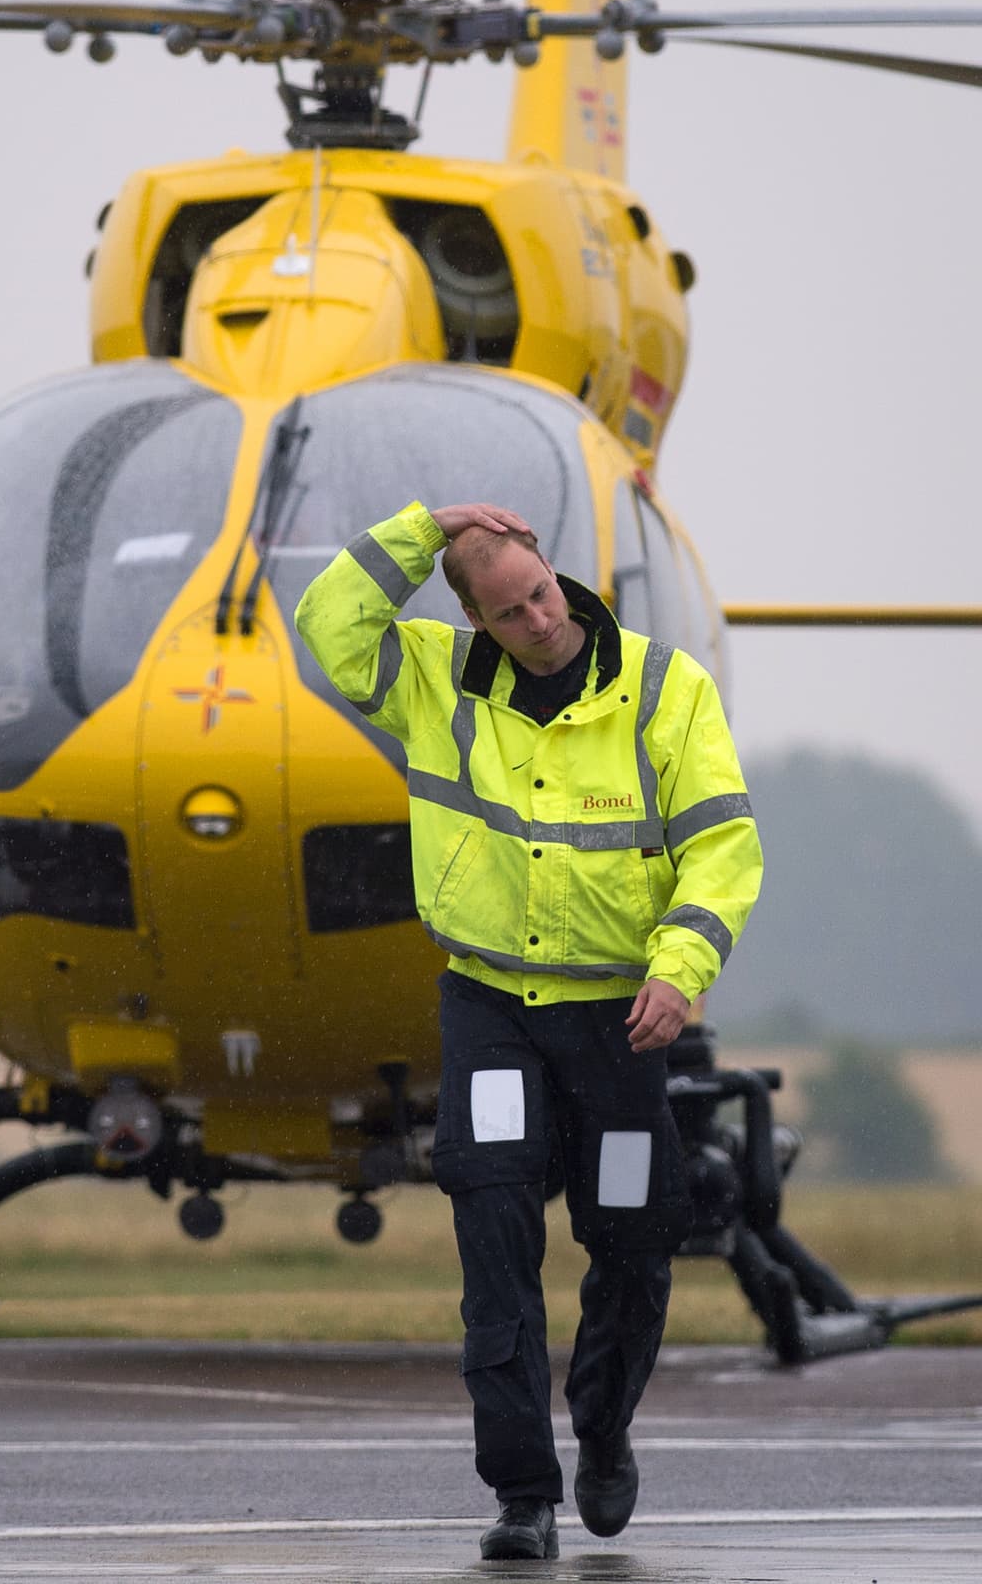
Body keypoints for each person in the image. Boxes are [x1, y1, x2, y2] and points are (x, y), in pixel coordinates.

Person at [296, 499, 763, 1561]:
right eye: (507, 614)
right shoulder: (429, 680)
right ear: (473, 619)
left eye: (540, 595)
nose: (538, 622)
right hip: (492, 1006)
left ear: (554, 570)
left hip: (622, 1018)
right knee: (494, 1240)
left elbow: (724, 851)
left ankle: (602, 1433)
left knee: (634, 1243)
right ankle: (521, 1495)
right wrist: (423, 527)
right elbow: (325, 625)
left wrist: (678, 970)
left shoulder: (662, 688)